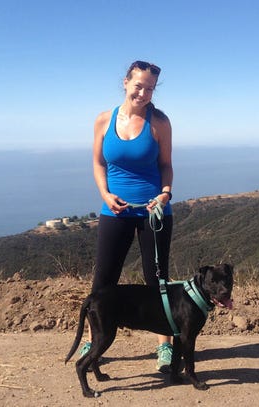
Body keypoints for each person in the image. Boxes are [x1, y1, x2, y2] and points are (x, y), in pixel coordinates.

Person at [81, 60, 175, 372]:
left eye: (150, 88)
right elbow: (97, 163)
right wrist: (105, 195)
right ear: (125, 82)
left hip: (154, 213)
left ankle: (165, 346)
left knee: (157, 282)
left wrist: (164, 193)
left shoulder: (159, 122)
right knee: (103, 281)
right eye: (139, 86)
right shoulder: (103, 120)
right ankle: (95, 342)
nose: (144, 93)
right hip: (114, 211)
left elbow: (166, 165)